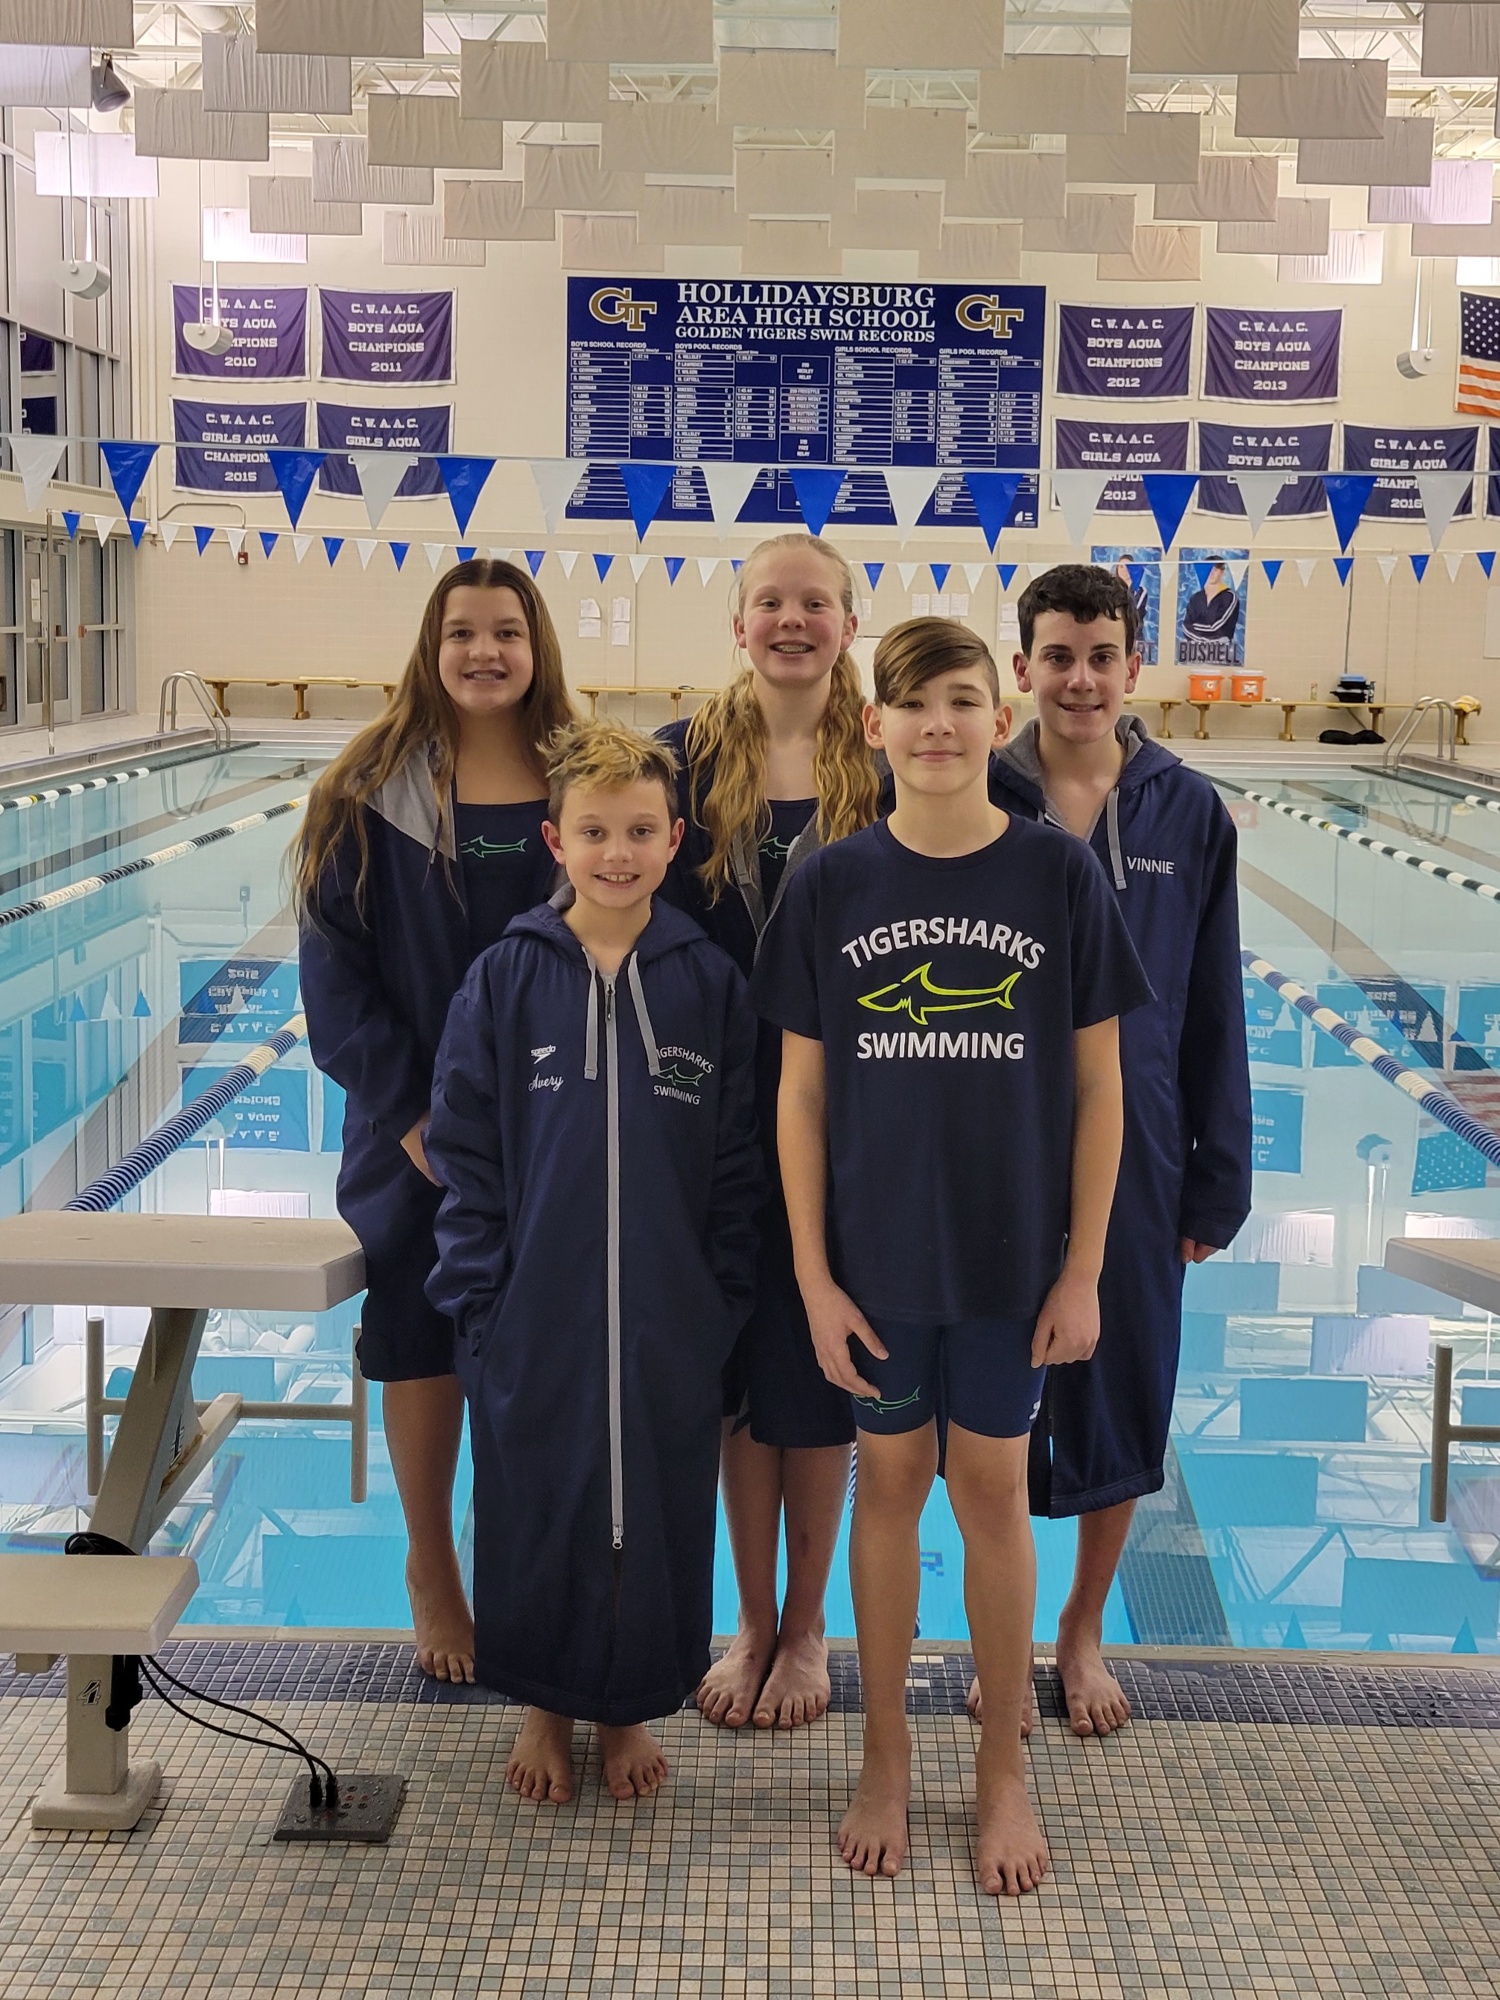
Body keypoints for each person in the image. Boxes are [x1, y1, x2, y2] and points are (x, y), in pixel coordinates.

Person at [753, 617, 1151, 1895]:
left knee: (989, 1492)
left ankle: (999, 1769)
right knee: (886, 1488)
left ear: (1000, 716)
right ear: (873, 725)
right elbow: (800, 1095)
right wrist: (813, 1275)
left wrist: (1083, 1268)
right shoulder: (830, 883)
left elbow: (1102, 1087)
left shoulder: (1056, 875)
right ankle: (885, 1755)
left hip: (1010, 1259)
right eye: (914, 704)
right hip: (875, 1261)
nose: (939, 725)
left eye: (964, 701)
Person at [424, 720, 763, 1803]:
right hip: (533, 1313)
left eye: (640, 831)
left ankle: (627, 1710)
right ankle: (545, 1704)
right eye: (596, 831)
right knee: (535, 1501)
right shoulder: (505, 978)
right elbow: (466, 1154)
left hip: (671, 1316)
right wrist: (483, 1303)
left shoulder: (709, 983)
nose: (618, 852)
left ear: (675, 840)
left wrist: (717, 1303)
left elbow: (740, 1164)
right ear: (555, 840)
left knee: (660, 1506)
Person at [973, 562, 1251, 1738]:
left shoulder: (1190, 810)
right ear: (1023, 666)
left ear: (1135, 665)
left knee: (1125, 1387)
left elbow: (1217, 1005)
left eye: (1100, 656)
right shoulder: (979, 790)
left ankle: (1081, 1627)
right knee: (983, 1399)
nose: (1079, 678)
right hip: (994, 1142)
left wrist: (1216, 1179)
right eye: (1057, 656)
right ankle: (998, 1635)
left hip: (1139, 1154)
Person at [296, 558, 574, 1685]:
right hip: (409, 1133)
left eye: (507, 631)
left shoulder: (578, 778)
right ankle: (432, 1562)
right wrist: (415, 1120)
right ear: (432, 645)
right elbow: (335, 984)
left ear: (537, 647)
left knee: (537, 1351)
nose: (485, 652)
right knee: (419, 1339)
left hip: (556, 1126)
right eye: (463, 632)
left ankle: (527, 1570)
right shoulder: (369, 792)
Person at [659, 532, 882, 1731]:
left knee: (820, 1378)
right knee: (739, 1383)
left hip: (852, 1126)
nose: (792, 620)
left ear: (849, 622)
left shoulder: (888, 759)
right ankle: (751, 1617)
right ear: (737, 623)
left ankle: (808, 1624)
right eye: (769, 602)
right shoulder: (678, 762)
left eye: (815, 602)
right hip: (709, 1123)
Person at [1181, 559, 1241, 661]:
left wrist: (1197, 633)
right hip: (1195, 654)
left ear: (1222, 572)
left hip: (1221, 655)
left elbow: (1216, 627)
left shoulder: (1229, 597)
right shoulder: (1196, 598)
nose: (1211, 573)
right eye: (1208, 569)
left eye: (1215, 570)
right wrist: (1203, 639)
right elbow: (1186, 627)